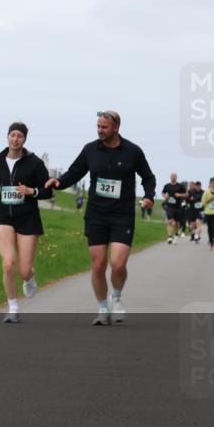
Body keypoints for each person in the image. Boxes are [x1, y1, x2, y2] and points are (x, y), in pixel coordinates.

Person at [44, 110, 155, 326]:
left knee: (118, 263)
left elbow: (148, 177)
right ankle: (103, 309)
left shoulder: (133, 151)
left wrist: (149, 196)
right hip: (96, 214)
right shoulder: (90, 149)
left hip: (122, 215)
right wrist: (58, 182)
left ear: (116, 128)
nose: (100, 130)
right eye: (98, 126)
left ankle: (117, 297)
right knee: (98, 265)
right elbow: (74, 172)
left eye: (104, 127)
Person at [0, 122, 52, 323]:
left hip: (28, 218)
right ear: (7, 137)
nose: (15, 139)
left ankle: (29, 277)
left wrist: (31, 191)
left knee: (24, 270)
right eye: (12, 135)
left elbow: (48, 191)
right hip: (4, 217)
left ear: (25, 139)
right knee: (8, 263)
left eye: (19, 136)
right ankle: (13, 307)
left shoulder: (35, 163)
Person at [161, 173, 187, 244]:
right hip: (169, 206)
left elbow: (186, 194)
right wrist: (165, 196)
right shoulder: (167, 186)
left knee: (178, 223)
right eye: (172, 176)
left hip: (178, 207)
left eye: (174, 176)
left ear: (176, 177)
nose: (173, 177)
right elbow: (163, 192)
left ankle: (176, 235)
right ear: (170, 177)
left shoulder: (180, 186)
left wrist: (180, 195)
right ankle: (169, 237)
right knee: (170, 221)